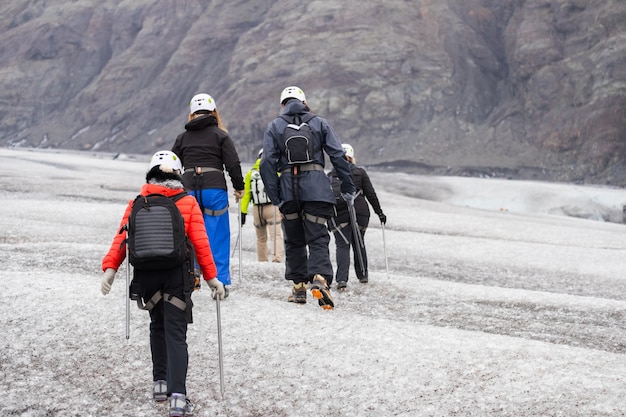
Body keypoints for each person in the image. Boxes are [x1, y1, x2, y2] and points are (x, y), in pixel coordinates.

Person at [101, 150, 225, 417]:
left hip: (146, 276)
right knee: (176, 334)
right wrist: (212, 277)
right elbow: (202, 244)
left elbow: (121, 240)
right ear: (178, 175)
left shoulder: (136, 202)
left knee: (156, 325)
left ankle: (160, 384)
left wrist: (110, 269)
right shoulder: (187, 202)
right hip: (176, 276)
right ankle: (178, 397)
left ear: (150, 174)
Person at [260, 86, 355, 310]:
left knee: (293, 239)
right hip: (317, 189)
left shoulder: (275, 126)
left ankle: (299, 287)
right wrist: (348, 185)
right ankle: (320, 278)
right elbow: (338, 155)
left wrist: (275, 195)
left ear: (283, 104)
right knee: (317, 236)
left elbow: (266, 163)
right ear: (304, 102)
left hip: (288, 191)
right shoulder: (319, 122)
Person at [171, 93, 245, 298]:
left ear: (191, 114)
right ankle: (219, 282)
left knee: (189, 234)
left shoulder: (182, 138)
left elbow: (172, 164)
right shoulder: (221, 136)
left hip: (188, 191)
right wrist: (239, 187)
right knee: (217, 236)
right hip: (214, 190)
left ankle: (191, 273)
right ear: (214, 112)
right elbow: (233, 164)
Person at [328, 144, 387, 291]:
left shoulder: (330, 176)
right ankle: (363, 276)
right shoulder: (359, 172)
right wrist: (379, 213)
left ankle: (342, 280)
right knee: (359, 242)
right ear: (352, 157)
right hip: (360, 212)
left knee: (343, 245)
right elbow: (370, 194)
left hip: (339, 215)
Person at [240, 149, 283, 262]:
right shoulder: (275, 171)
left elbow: (246, 195)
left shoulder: (251, 173)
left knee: (261, 238)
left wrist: (243, 212)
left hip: (257, 209)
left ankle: (262, 260)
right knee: (275, 236)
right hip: (272, 207)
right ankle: (276, 258)